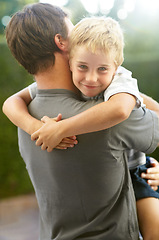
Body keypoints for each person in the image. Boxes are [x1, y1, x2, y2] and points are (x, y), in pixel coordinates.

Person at [2, 3, 159, 239]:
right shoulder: (106, 116)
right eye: (73, 28)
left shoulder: (26, 115)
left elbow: (11, 102)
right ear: (61, 42)